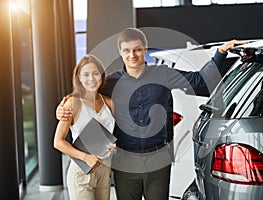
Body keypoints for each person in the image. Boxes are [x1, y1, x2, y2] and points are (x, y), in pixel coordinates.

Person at [56, 28, 247, 200]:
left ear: (145, 49)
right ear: (121, 53)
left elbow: (200, 82)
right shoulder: (111, 83)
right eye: (127, 50)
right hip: (125, 162)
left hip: (158, 160)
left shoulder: (163, 73)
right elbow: (86, 94)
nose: (132, 54)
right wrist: (62, 107)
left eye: (137, 49)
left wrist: (221, 52)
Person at [53, 54, 116, 200]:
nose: (91, 79)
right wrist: (86, 157)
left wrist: (114, 146)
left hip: (104, 170)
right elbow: (58, 142)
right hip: (81, 171)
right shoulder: (73, 103)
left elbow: (114, 134)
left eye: (95, 73)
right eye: (86, 74)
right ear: (79, 78)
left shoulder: (109, 103)